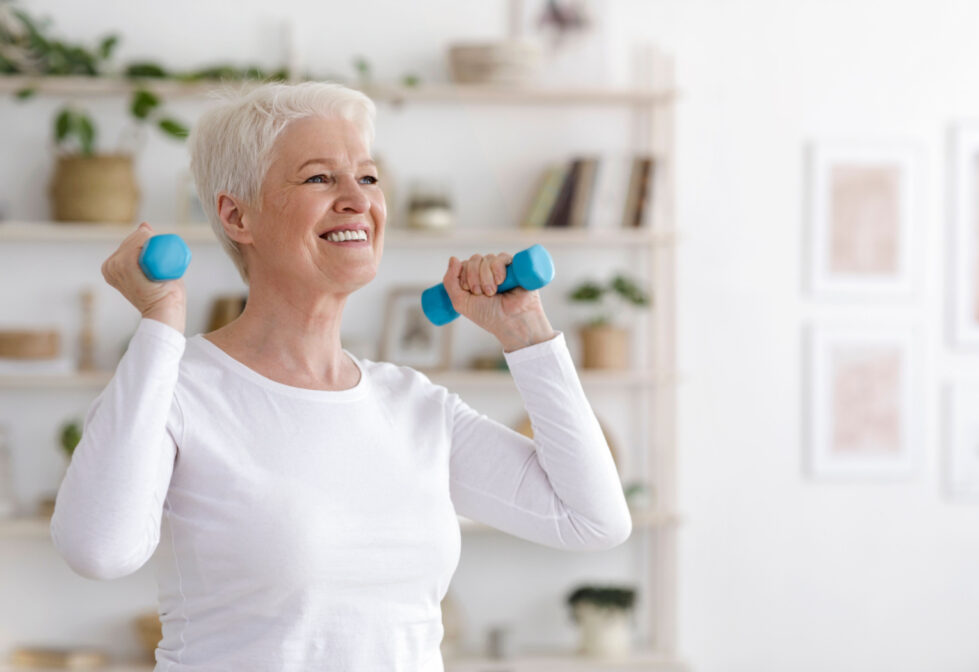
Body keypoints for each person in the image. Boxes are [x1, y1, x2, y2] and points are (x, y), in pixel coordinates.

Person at [50, 81, 632, 672]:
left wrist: (527, 334)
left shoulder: (415, 405)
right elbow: (99, 550)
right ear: (236, 215)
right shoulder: (179, 388)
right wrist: (159, 325)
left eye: (369, 178)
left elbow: (593, 520)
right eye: (319, 178)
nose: (358, 199)